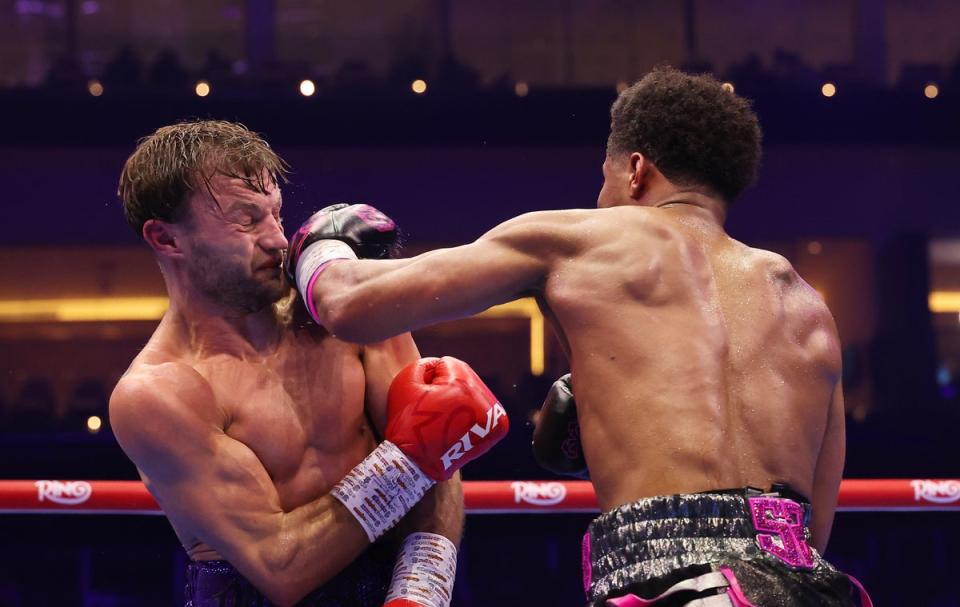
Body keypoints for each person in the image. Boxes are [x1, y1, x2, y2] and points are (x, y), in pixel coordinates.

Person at [285, 68, 872, 606]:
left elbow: (347, 304)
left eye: (605, 179)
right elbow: (812, 529)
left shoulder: (574, 241)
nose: (600, 199)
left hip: (671, 587)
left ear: (637, 170)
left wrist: (323, 248)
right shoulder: (807, 306)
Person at [109, 120, 508, 607]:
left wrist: (420, 589)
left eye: (275, 214)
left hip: (391, 581)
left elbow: (438, 456)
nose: (278, 240)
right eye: (246, 220)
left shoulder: (340, 314)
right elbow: (280, 564)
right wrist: (409, 457)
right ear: (167, 239)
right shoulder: (160, 393)